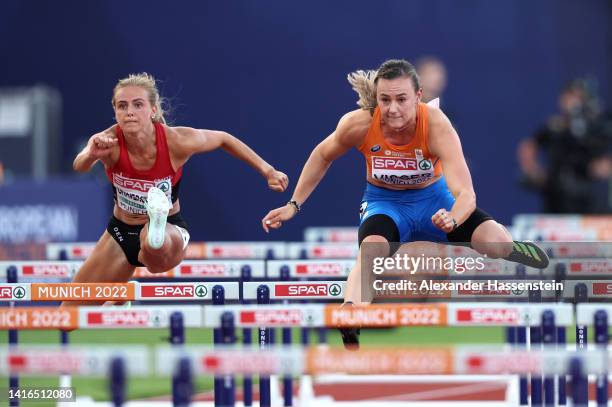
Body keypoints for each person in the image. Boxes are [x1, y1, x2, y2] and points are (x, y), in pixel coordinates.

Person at [261, 59, 548, 349]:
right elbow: (322, 156)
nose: (393, 109)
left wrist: (452, 218)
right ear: (376, 99)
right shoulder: (359, 124)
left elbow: (466, 194)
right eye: (385, 100)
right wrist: (293, 205)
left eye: (401, 99)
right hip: (386, 204)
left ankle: (515, 247)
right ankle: (350, 315)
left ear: (419, 97)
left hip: (435, 202)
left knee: (496, 243)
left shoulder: (436, 125)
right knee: (371, 250)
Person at [63, 73, 288, 306]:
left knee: (153, 250)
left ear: (153, 109)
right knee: (66, 318)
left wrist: (268, 170)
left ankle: (154, 226)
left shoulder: (175, 141)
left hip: (169, 229)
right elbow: (79, 166)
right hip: (120, 232)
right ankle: (122, 286)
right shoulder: (107, 141)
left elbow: (223, 139)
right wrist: (91, 154)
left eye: (137, 104)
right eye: (122, 106)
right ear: (116, 112)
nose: (129, 111)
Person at [518, 79, 612, 213]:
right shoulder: (555, 127)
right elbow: (528, 146)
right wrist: (532, 170)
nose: (572, 102)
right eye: (569, 97)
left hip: (590, 192)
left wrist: (606, 165)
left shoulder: (598, 125)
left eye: (578, 97)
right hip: (558, 192)